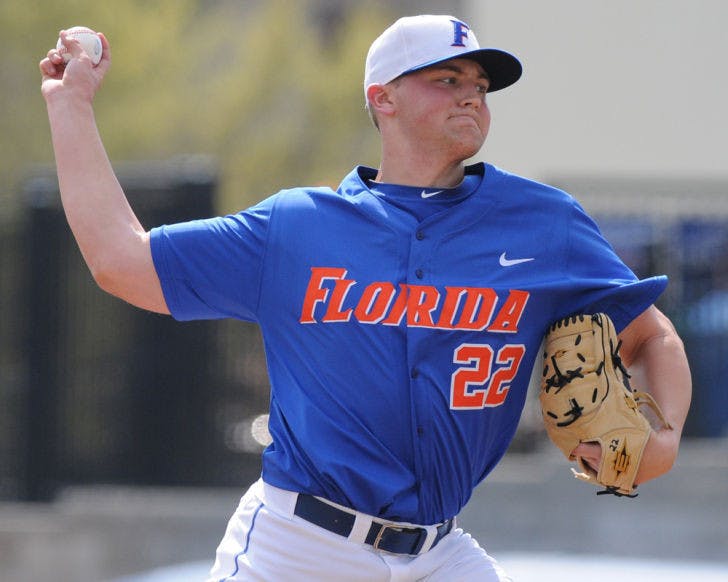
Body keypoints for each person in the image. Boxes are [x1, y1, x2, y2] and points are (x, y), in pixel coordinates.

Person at [40, 14, 691, 582]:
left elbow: (651, 336)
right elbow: (119, 260)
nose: (471, 96)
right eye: (447, 80)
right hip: (299, 548)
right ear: (383, 98)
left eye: (480, 86)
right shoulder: (297, 229)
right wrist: (71, 107)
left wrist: (656, 442)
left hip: (439, 552)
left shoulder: (543, 223)